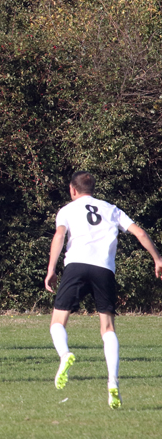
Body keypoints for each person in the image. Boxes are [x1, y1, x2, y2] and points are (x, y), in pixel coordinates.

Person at [44, 171, 162, 409]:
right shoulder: (111, 209)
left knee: (57, 322)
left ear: (72, 189)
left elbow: (59, 235)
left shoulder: (67, 210)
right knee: (107, 328)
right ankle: (113, 381)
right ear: (93, 189)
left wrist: (51, 269)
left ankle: (65, 354)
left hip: (76, 266)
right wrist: (157, 259)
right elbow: (140, 232)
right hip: (104, 270)